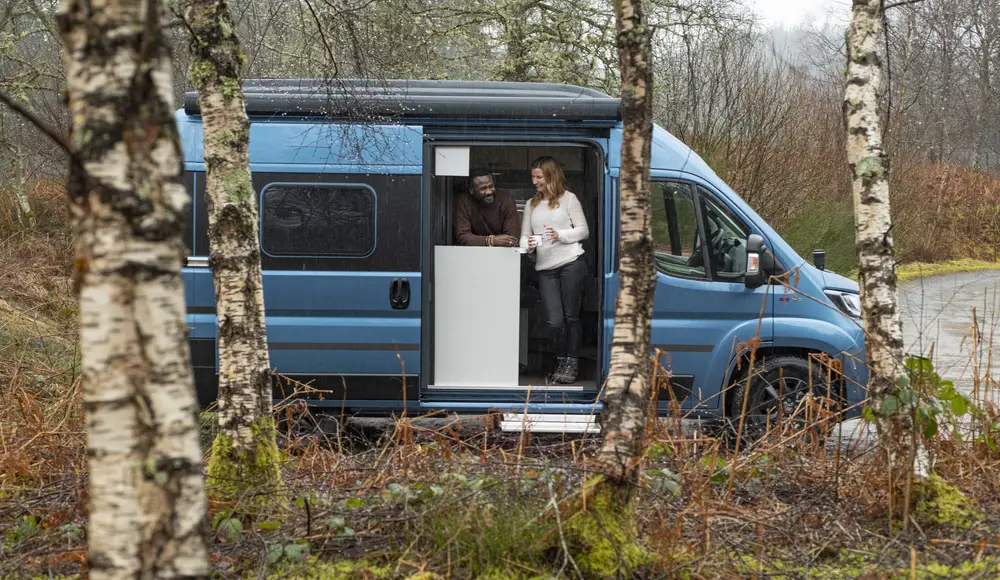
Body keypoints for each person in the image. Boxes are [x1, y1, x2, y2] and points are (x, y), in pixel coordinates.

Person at [519, 156, 589, 384]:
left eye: (538, 176)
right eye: (533, 176)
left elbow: (583, 231)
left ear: (551, 176)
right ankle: (560, 358)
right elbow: (524, 236)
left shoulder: (569, 199)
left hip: (571, 263)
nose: (534, 181)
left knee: (571, 317)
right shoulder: (531, 204)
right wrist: (527, 245)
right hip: (545, 268)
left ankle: (571, 362)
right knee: (554, 321)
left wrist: (561, 235)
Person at [453, 167, 520, 247]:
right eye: (483, 188)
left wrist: (481, 241)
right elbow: (463, 237)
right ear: (471, 190)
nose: (489, 192)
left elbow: (511, 238)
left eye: (491, 186)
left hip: (502, 254)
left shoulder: (506, 199)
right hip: (471, 254)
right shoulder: (464, 201)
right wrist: (491, 240)